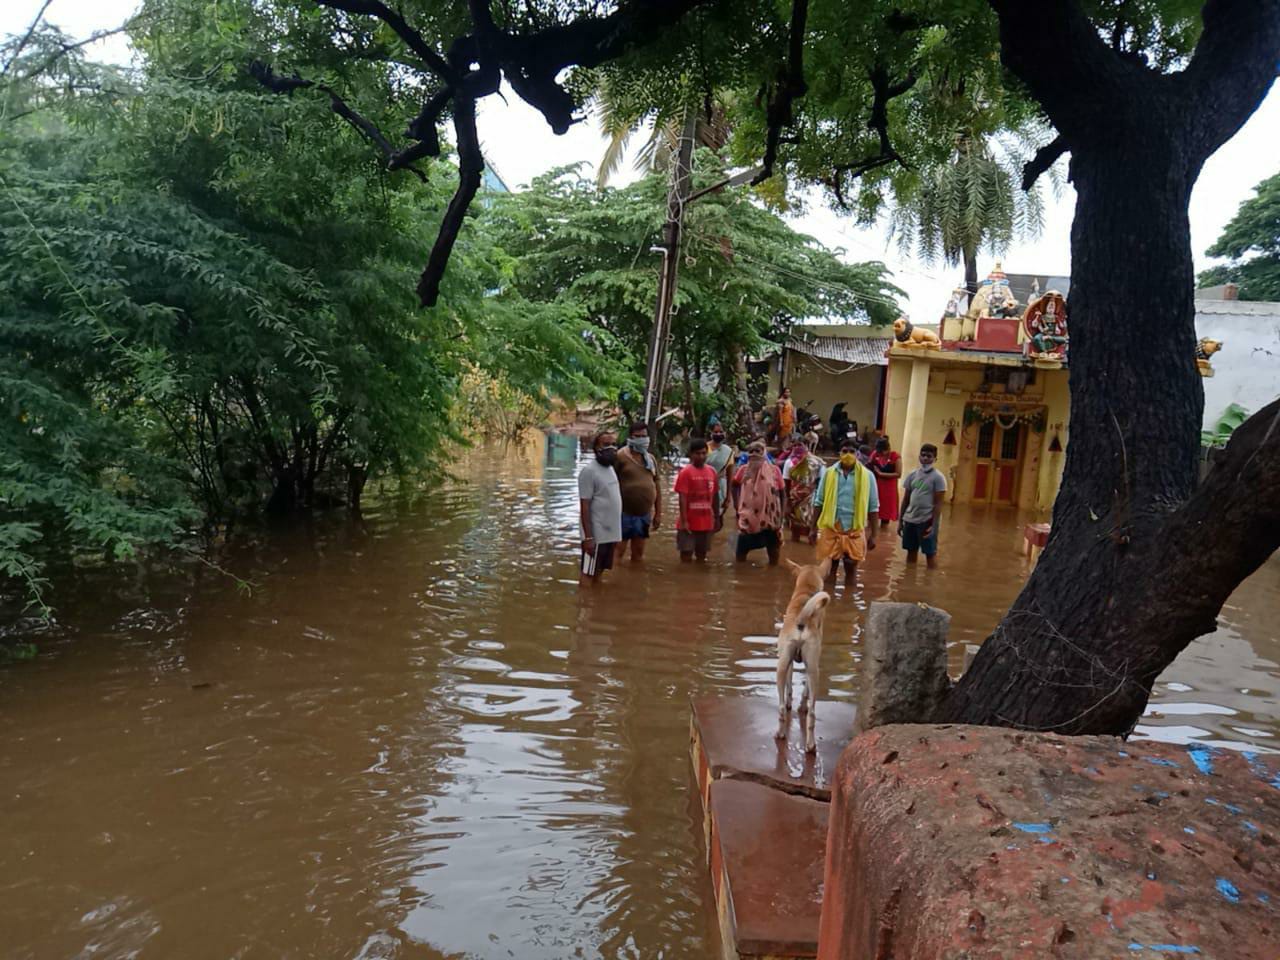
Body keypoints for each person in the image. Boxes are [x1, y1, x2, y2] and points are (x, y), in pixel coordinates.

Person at [811, 438, 879, 586]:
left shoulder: (868, 476)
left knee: (851, 570)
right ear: (839, 453)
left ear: (857, 454)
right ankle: (831, 605)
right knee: (830, 570)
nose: (848, 454)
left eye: (852, 451)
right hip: (832, 527)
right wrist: (812, 528)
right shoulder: (829, 474)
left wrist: (874, 534)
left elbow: (873, 507)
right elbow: (819, 501)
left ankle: (848, 605)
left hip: (854, 529)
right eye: (844, 451)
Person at [578, 431, 623, 587]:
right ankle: (585, 607)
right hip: (596, 535)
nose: (610, 448)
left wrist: (617, 535)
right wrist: (588, 538)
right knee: (588, 576)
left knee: (599, 572)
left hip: (609, 535)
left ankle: (596, 607)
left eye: (613, 444)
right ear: (596, 448)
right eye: (605, 444)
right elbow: (585, 505)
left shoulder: (610, 469)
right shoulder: (589, 472)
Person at [731, 440, 786, 564]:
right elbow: (734, 485)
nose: (754, 454)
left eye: (758, 451)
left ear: (764, 453)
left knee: (773, 554)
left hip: (770, 519)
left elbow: (782, 494)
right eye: (751, 451)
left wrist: (781, 516)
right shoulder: (743, 470)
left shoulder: (774, 471)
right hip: (748, 518)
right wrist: (736, 505)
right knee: (740, 554)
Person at [614, 422, 662, 561]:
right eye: (638, 436)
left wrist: (658, 513)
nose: (642, 439)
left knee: (639, 552)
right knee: (618, 551)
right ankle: (615, 580)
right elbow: (611, 483)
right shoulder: (620, 456)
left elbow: (657, 484)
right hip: (623, 513)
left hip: (643, 514)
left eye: (644, 436)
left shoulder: (650, 459)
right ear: (630, 437)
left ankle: (635, 579)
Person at [899, 443, 947, 568]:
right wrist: (900, 521)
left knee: (930, 553)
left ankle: (929, 582)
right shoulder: (912, 475)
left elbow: (938, 504)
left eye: (929, 456)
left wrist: (934, 525)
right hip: (910, 519)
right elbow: (906, 499)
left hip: (926, 520)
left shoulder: (938, 478)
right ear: (919, 457)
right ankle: (909, 578)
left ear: (935, 459)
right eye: (923, 455)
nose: (925, 458)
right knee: (911, 551)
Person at [673, 437, 719, 562]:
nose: (701, 456)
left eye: (704, 453)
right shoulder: (685, 472)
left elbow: (715, 496)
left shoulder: (712, 472)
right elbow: (682, 498)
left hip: (706, 521)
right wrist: (684, 521)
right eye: (697, 453)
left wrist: (718, 517)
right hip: (688, 522)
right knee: (686, 556)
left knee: (702, 556)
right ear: (691, 454)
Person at [782, 438, 824, 542]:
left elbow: (822, 481)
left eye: (800, 445)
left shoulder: (817, 462)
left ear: (807, 446)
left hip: (811, 497)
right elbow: (786, 482)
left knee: (812, 522)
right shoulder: (789, 462)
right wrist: (787, 500)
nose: (797, 448)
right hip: (795, 497)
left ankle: (812, 540)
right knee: (795, 525)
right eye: (795, 445)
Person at [705, 424, 735, 532]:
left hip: (721, 486)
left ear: (725, 434)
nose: (718, 434)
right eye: (715, 432)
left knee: (718, 517)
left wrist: (728, 497)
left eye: (721, 432)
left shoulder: (728, 451)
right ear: (711, 434)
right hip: (703, 485)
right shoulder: (704, 448)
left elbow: (730, 474)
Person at [867, 436, 901, 528]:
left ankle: (884, 527)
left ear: (889, 448)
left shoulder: (895, 457)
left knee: (886, 513)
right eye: (879, 452)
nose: (881, 454)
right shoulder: (875, 454)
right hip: (876, 486)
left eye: (883, 452)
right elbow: (868, 466)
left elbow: (898, 474)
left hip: (889, 488)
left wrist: (881, 474)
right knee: (873, 509)